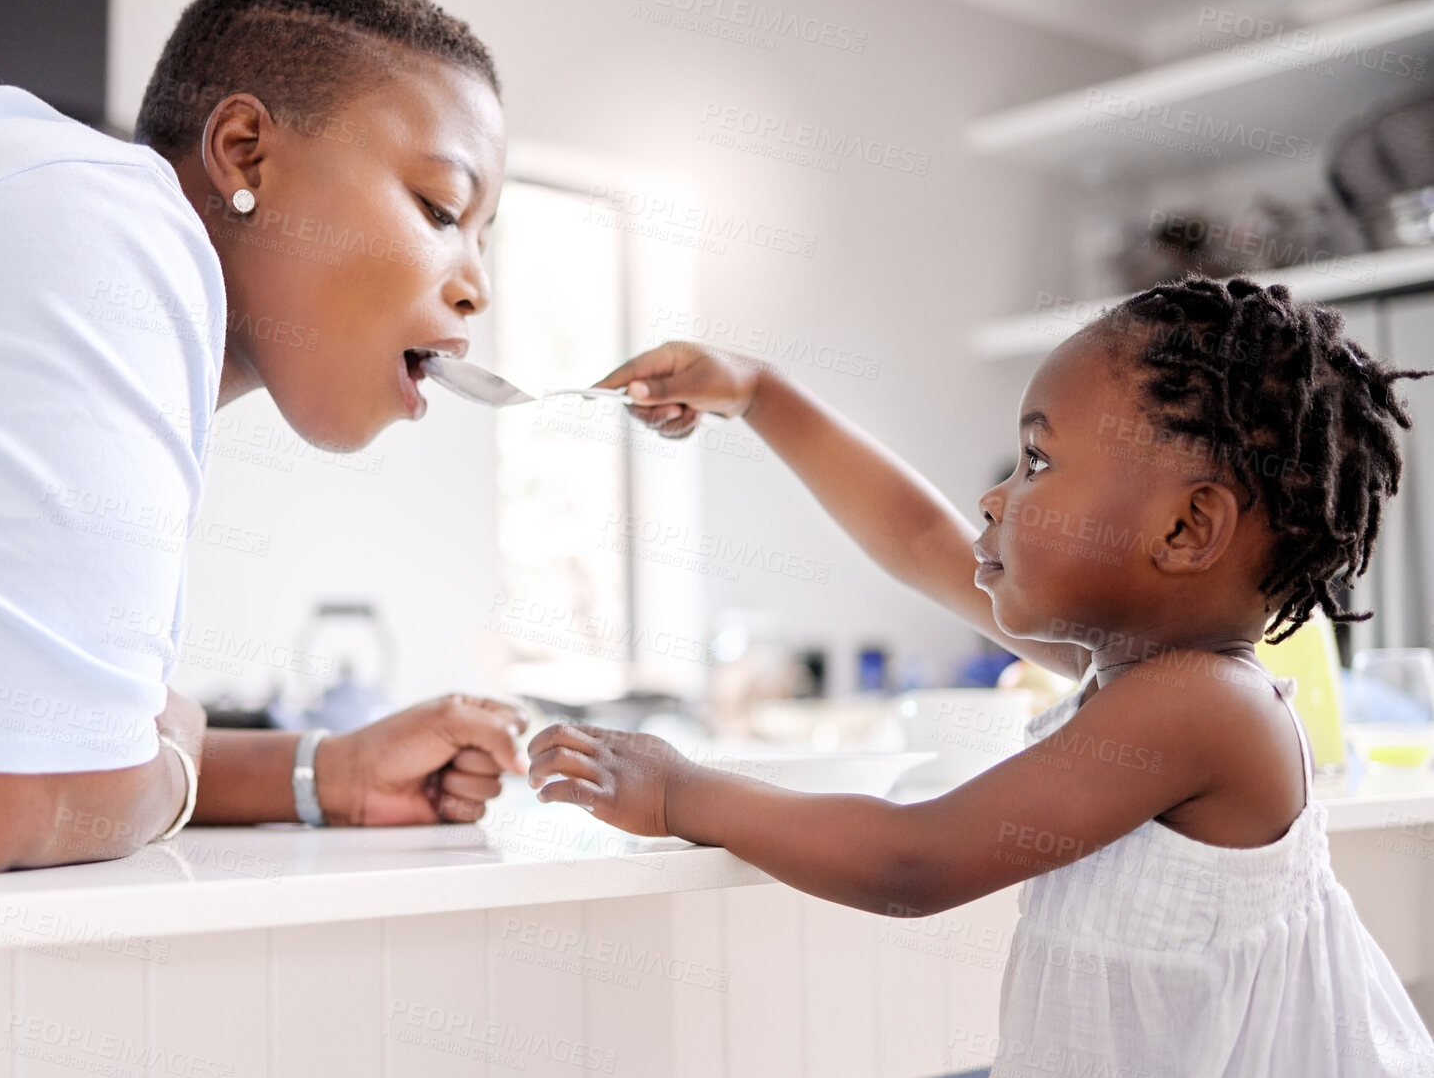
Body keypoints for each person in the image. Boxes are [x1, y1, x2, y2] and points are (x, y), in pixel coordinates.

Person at [526, 275, 1434, 1076]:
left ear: (1186, 529)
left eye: (1036, 461)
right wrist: (758, 393)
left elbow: (910, 862)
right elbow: (921, 539)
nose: (994, 496)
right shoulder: (1135, 670)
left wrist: (679, 792)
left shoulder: (1202, 706)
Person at [0, 0, 527, 873]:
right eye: (442, 208)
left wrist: (328, 772)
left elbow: (47, 749)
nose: (476, 287)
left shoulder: (70, 225)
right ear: (245, 151)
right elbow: (2, 805)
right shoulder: (89, 229)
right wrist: (173, 759)